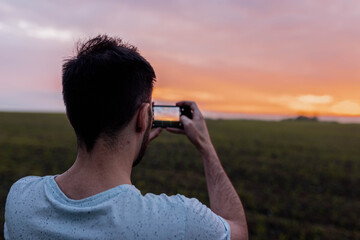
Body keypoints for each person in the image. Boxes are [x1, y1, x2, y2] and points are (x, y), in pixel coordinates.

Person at [4, 35, 248, 240]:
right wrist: (206, 147)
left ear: (70, 115)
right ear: (144, 117)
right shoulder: (181, 220)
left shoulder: (21, 200)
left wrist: (128, 149)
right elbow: (238, 230)